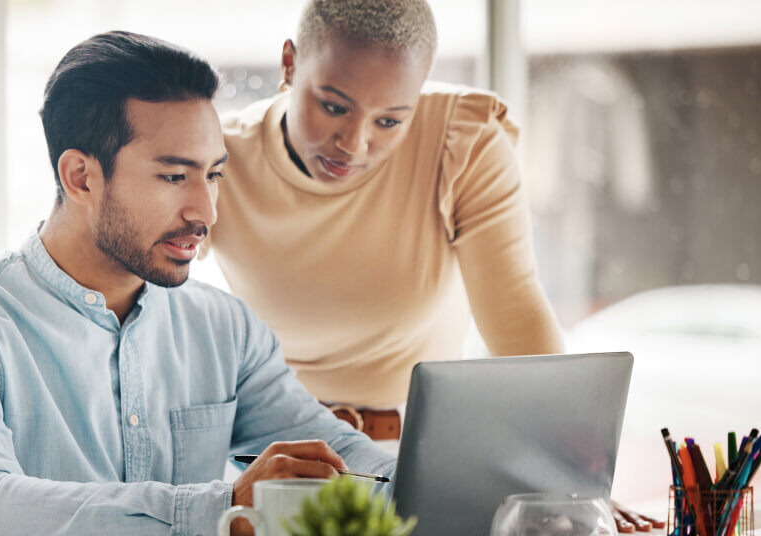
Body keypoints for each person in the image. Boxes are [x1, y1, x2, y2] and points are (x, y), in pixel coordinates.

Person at [0, 31, 394, 535]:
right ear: (80, 177)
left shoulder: (225, 328)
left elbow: (334, 455)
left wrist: (441, 478)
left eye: (213, 175)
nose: (206, 212)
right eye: (174, 177)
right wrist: (220, 507)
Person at [206, 0, 660, 530]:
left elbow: (518, 327)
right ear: (289, 64)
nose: (355, 144)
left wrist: (570, 487)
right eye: (333, 107)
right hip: (279, 470)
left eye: (390, 120)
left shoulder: (461, 141)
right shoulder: (219, 156)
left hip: (421, 467)